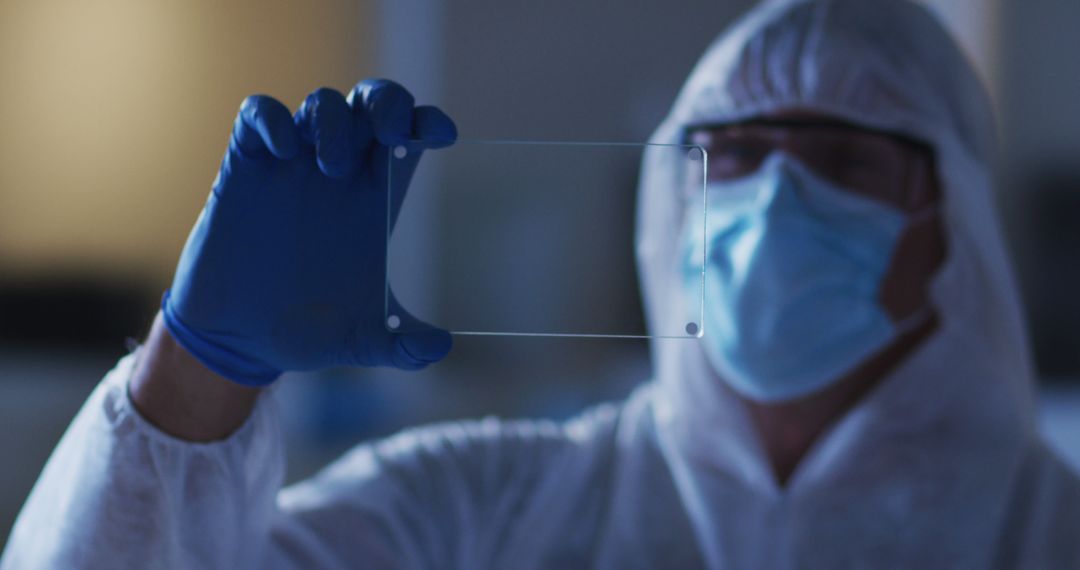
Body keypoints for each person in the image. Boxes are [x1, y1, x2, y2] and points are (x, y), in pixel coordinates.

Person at [4, 0, 1080, 567]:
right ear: (672, 201)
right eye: (736, 154)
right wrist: (198, 370)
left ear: (955, 228)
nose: (775, 200)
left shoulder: (1048, 533)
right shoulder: (481, 508)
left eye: (842, 162)